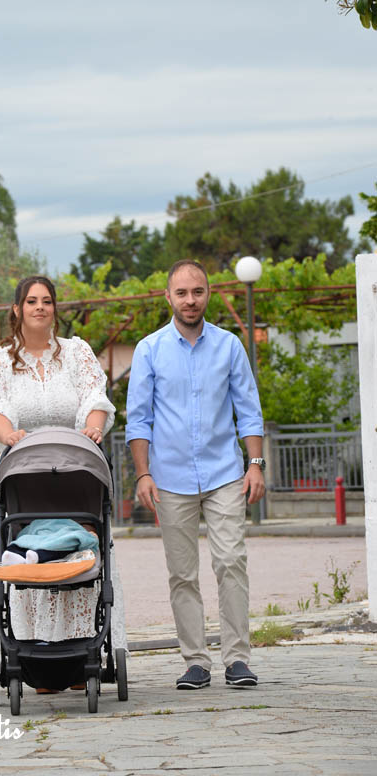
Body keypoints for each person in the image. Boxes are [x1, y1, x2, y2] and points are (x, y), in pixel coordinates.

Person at [0, 275, 127, 678]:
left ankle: (79, 659)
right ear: (17, 309)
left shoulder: (76, 353)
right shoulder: (0, 359)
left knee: (78, 565)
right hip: (22, 477)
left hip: (74, 476)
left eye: (46, 300)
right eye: (31, 301)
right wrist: (7, 434)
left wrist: (93, 427)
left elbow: (95, 397)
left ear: (54, 308)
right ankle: (30, 661)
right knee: (24, 570)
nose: (39, 307)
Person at [125, 259, 265, 690]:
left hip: (225, 473)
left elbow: (249, 409)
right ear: (168, 296)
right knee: (182, 573)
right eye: (182, 293)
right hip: (169, 479)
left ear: (208, 294)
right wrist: (143, 474)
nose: (190, 300)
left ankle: (237, 659)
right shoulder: (149, 349)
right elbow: (139, 419)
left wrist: (255, 464)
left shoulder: (229, 346)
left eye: (197, 292)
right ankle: (196, 662)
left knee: (231, 561)